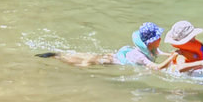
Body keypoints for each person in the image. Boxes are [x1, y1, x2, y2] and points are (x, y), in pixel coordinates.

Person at [37, 23, 170, 69]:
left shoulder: (153, 48)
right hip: (110, 61)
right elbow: (156, 68)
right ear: (148, 42)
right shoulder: (140, 56)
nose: (160, 39)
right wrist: (174, 57)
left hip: (114, 56)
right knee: (84, 62)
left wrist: (176, 54)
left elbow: (161, 54)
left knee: (87, 58)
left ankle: (59, 55)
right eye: (157, 37)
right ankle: (58, 56)